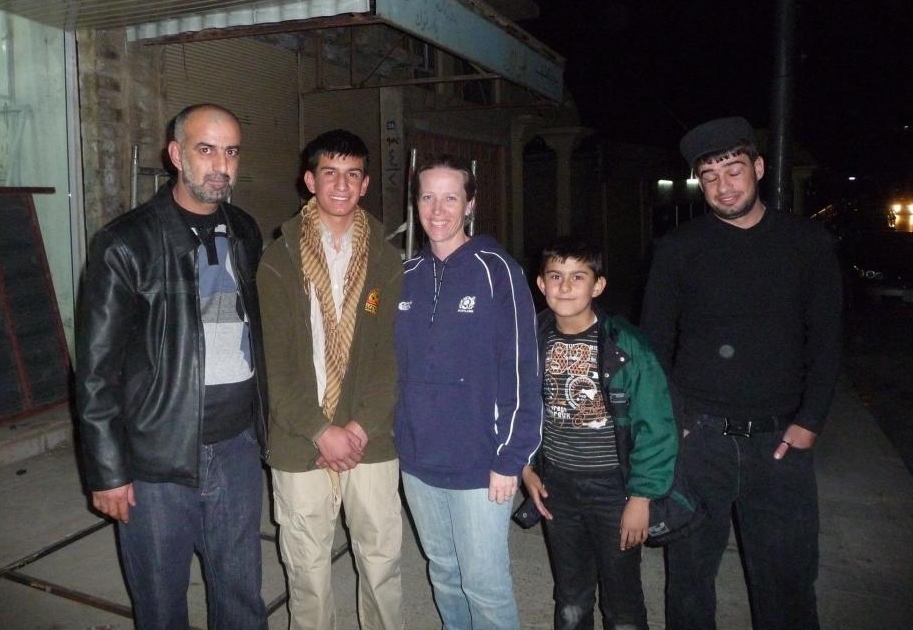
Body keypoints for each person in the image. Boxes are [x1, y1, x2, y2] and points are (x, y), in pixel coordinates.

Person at [640, 117, 843, 630]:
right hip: (700, 440)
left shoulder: (807, 243)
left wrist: (810, 420)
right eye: (709, 177)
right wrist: (675, 423)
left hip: (779, 443)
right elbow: (654, 345)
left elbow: (826, 340)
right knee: (688, 581)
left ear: (757, 167)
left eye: (733, 170)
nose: (723, 186)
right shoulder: (678, 250)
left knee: (788, 583)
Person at [76, 104, 268, 629]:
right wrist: (108, 470)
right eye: (206, 150)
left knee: (242, 599)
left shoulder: (245, 231)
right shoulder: (125, 243)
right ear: (176, 154)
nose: (220, 166)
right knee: (161, 606)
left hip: (236, 448)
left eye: (230, 151)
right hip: (156, 458)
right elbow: (95, 371)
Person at [257, 130, 403, 630]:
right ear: (309, 180)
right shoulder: (278, 260)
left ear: (364, 185)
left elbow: (389, 357)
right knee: (307, 571)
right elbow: (275, 364)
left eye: (353, 174)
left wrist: (357, 430)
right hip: (300, 438)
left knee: (382, 563)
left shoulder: (387, 260)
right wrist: (322, 431)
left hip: (370, 437)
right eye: (330, 173)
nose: (341, 184)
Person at [394, 154, 542, 630]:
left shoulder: (498, 271)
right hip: (417, 461)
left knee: (485, 585)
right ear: (416, 203)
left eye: (450, 198)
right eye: (427, 197)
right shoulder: (406, 275)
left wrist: (511, 458)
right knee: (443, 573)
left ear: (470, 204)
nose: (438, 210)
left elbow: (522, 369)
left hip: (483, 463)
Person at [523, 237, 677, 630]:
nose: (565, 286)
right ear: (541, 284)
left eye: (579, 276)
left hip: (614, 488)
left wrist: (641, 498)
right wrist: (526, 468)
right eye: (555, 276)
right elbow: (517, 408)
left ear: (598, 286)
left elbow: (656, 426)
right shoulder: (530, 338)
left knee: (622, 598)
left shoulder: (626, 345)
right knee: (570, 596)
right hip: (557, 485)